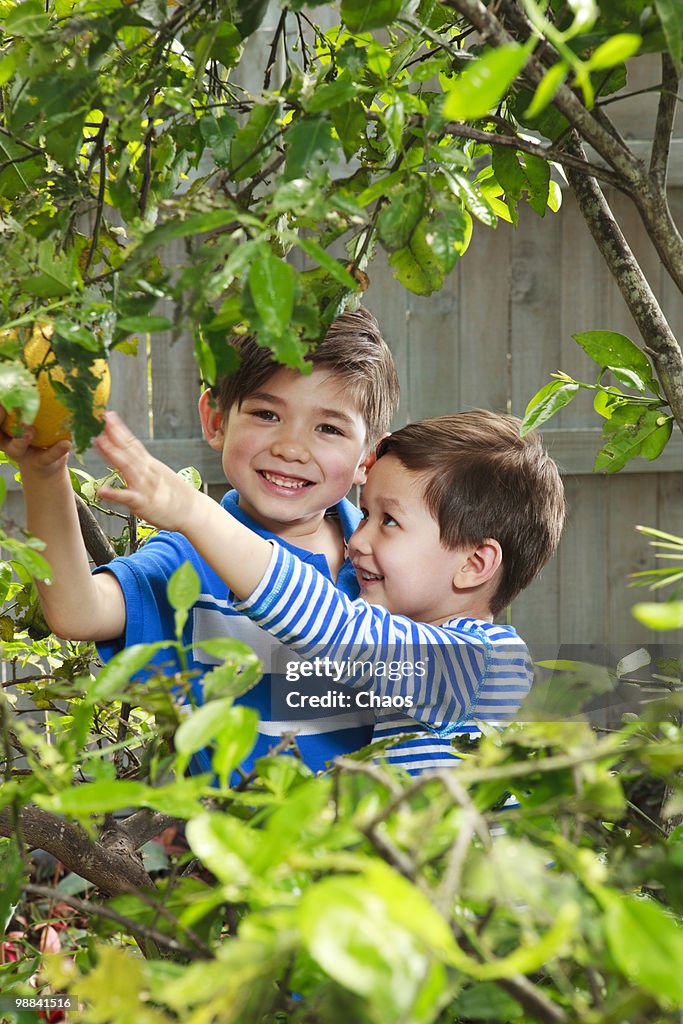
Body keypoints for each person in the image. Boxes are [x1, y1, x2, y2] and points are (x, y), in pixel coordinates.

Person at [0, 307, 400, 775]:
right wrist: (44, 471)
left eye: (328, 428)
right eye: (266, 413)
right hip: (243, 839)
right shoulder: (190, 556)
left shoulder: (389, 557)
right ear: (215, 421)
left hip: (381, 832)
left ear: (367, 459)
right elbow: (76, 611)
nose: (292, 448)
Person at [92, 408, 566, 774]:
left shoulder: (481, 665)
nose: (358, 538)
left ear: (473, 564)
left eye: (390, 522)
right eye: (367, 514)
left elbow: (336, 629)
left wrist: (195, 514)